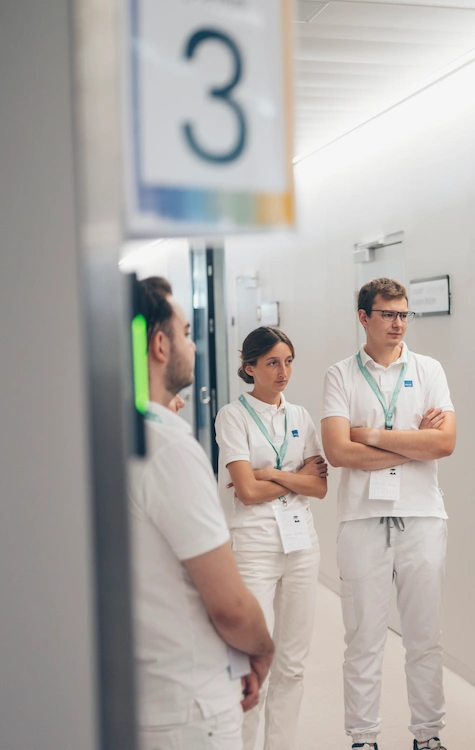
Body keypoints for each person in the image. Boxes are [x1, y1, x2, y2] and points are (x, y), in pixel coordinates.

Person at [129, 276, 274, 750]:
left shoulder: (101, 431)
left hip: (137, 695)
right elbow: (230, 606)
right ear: (159, 344)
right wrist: (262, 649)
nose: (193, 344)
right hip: (189, 711)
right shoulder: (167, 443)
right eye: (187, 332)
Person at [321, 277, 457, 750]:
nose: (399, 323)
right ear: (364, 317)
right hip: (360, 521)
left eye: (404, 314)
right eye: (388, 314)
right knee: (363, 640)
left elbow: (445, 442)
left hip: (422, 518)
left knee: (425, 637)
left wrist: (371, 436)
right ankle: (363, 739)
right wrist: (412, 442)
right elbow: (338, 452)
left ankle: (428, 737)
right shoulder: (340, 375)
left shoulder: (429, 370)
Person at [215, 326, 328, 750]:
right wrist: (294, 478)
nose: (284, 371)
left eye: (288, 361)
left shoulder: (300, 417)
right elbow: (246, 491)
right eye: (272, 363)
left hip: (302, 549)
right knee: (250, 661)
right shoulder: (233, 415)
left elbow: (319, 487)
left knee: (293, 665)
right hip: (255, 547)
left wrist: (273, 474)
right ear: (250, 368)